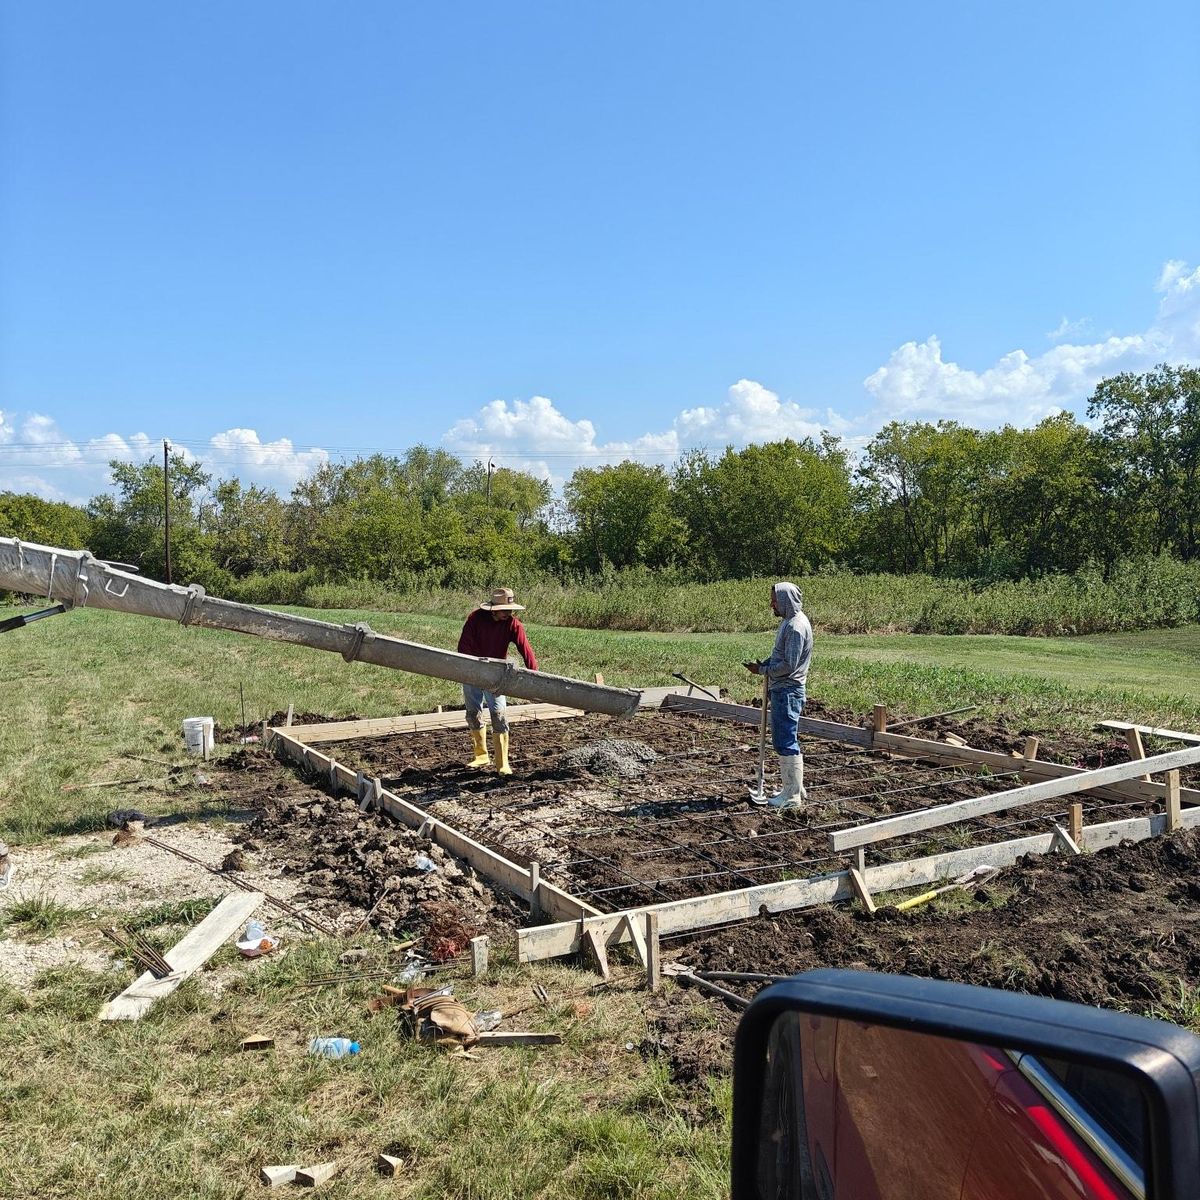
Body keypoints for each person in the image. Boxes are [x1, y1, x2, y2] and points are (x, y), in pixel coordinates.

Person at [744, 581, 812, 809]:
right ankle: (795, 788)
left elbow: (789, 665)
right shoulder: (789, 622)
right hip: (783, 689)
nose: (771, 603)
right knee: (785, 739)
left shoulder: (795, 627)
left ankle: (791, 795)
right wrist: (766, 663)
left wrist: (763, 670)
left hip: (787, 690)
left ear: (785, 600)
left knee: (785, 741)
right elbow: (782, 658)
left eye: (774, 599)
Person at [456, 586, 538, 775]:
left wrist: (534, 675)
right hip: (472, 670)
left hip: (496, 674)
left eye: (511, 610)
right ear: (493, 608)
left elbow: (525, 649)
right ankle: (481, 755)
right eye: (505, 610)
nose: (508, 613)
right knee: (473, 711)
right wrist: (468, 669)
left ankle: (502, 763)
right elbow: (464, 646)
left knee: (498, 713)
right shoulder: (475, 619)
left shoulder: (513, 624)